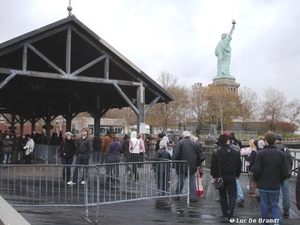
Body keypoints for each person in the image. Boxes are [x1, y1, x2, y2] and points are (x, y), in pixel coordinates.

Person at [252, 132, 288, 225]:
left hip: (263, 184)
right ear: (274, 141)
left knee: (264, 205)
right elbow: (285, 172)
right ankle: (277, 222)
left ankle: (266, 222)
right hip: (275, 184)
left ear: (266, 141)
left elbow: (256, 170)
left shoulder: (260, 154)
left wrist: (256, 180)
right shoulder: (281, 154)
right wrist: (279, 180)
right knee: (274, 205)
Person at [210, 134, 242, 220]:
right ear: (228, 141)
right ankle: (230, 211)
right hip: (231, 174)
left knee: (222, 194)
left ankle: (224, 211)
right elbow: (239, 164)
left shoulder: (216, 152)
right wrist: (237, 174)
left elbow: (213, 165)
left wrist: (214, 176)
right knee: (232, 194)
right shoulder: (235, 151)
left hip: (220, 175)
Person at [172, 131, 202, 202]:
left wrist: (174, 163)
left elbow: (176, 154)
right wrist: (198, 165)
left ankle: (177, 194)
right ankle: (193, 197)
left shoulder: (180, 143)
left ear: (183, 136)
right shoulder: (195, 143)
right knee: (192, 181)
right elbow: (199, 156)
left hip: (182, 165)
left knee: (180, 180)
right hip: (192, 165)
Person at [274, 134, 293, 217]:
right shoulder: (286, 149)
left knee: (275, 191)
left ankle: (275, 207)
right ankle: (286, 209)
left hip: (276, 173)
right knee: (286, 192)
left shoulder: (274, 148)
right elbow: (290, 160)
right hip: (286, 173)